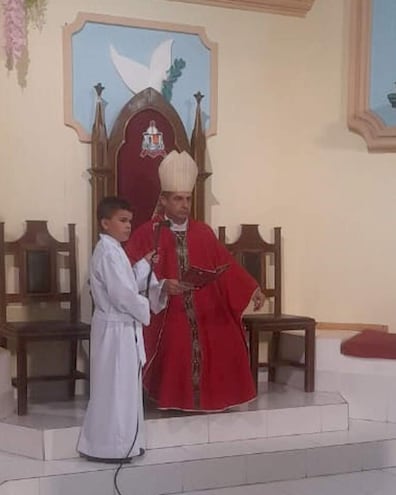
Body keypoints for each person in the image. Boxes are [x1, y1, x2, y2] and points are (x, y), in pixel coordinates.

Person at [125, 151, 265, 412]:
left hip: (204, 305)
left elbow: (227, 264)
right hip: (164, 311)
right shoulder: (148, 233)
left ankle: (215, 398)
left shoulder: (203, 232)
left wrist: (253, 287)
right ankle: (171, 398)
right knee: (177, 337)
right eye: (178, 199)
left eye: (188, 199)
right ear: (164, 200)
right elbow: (128, 274)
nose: (184, 205)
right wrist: (162, 285)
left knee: (225, 331)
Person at [77, 196, 166, 462]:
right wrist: (144, 307)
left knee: (125, 387)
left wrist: (146, 263)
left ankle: (127, 442)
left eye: (130, 221)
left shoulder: (114, 250)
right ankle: (109, 447)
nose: (128, 226)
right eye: (122, 220)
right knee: (115, 389)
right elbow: (122, 294)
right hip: (115, 329)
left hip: (120, 327)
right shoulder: (107, 252)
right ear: (105, 223)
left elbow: (126, 281)